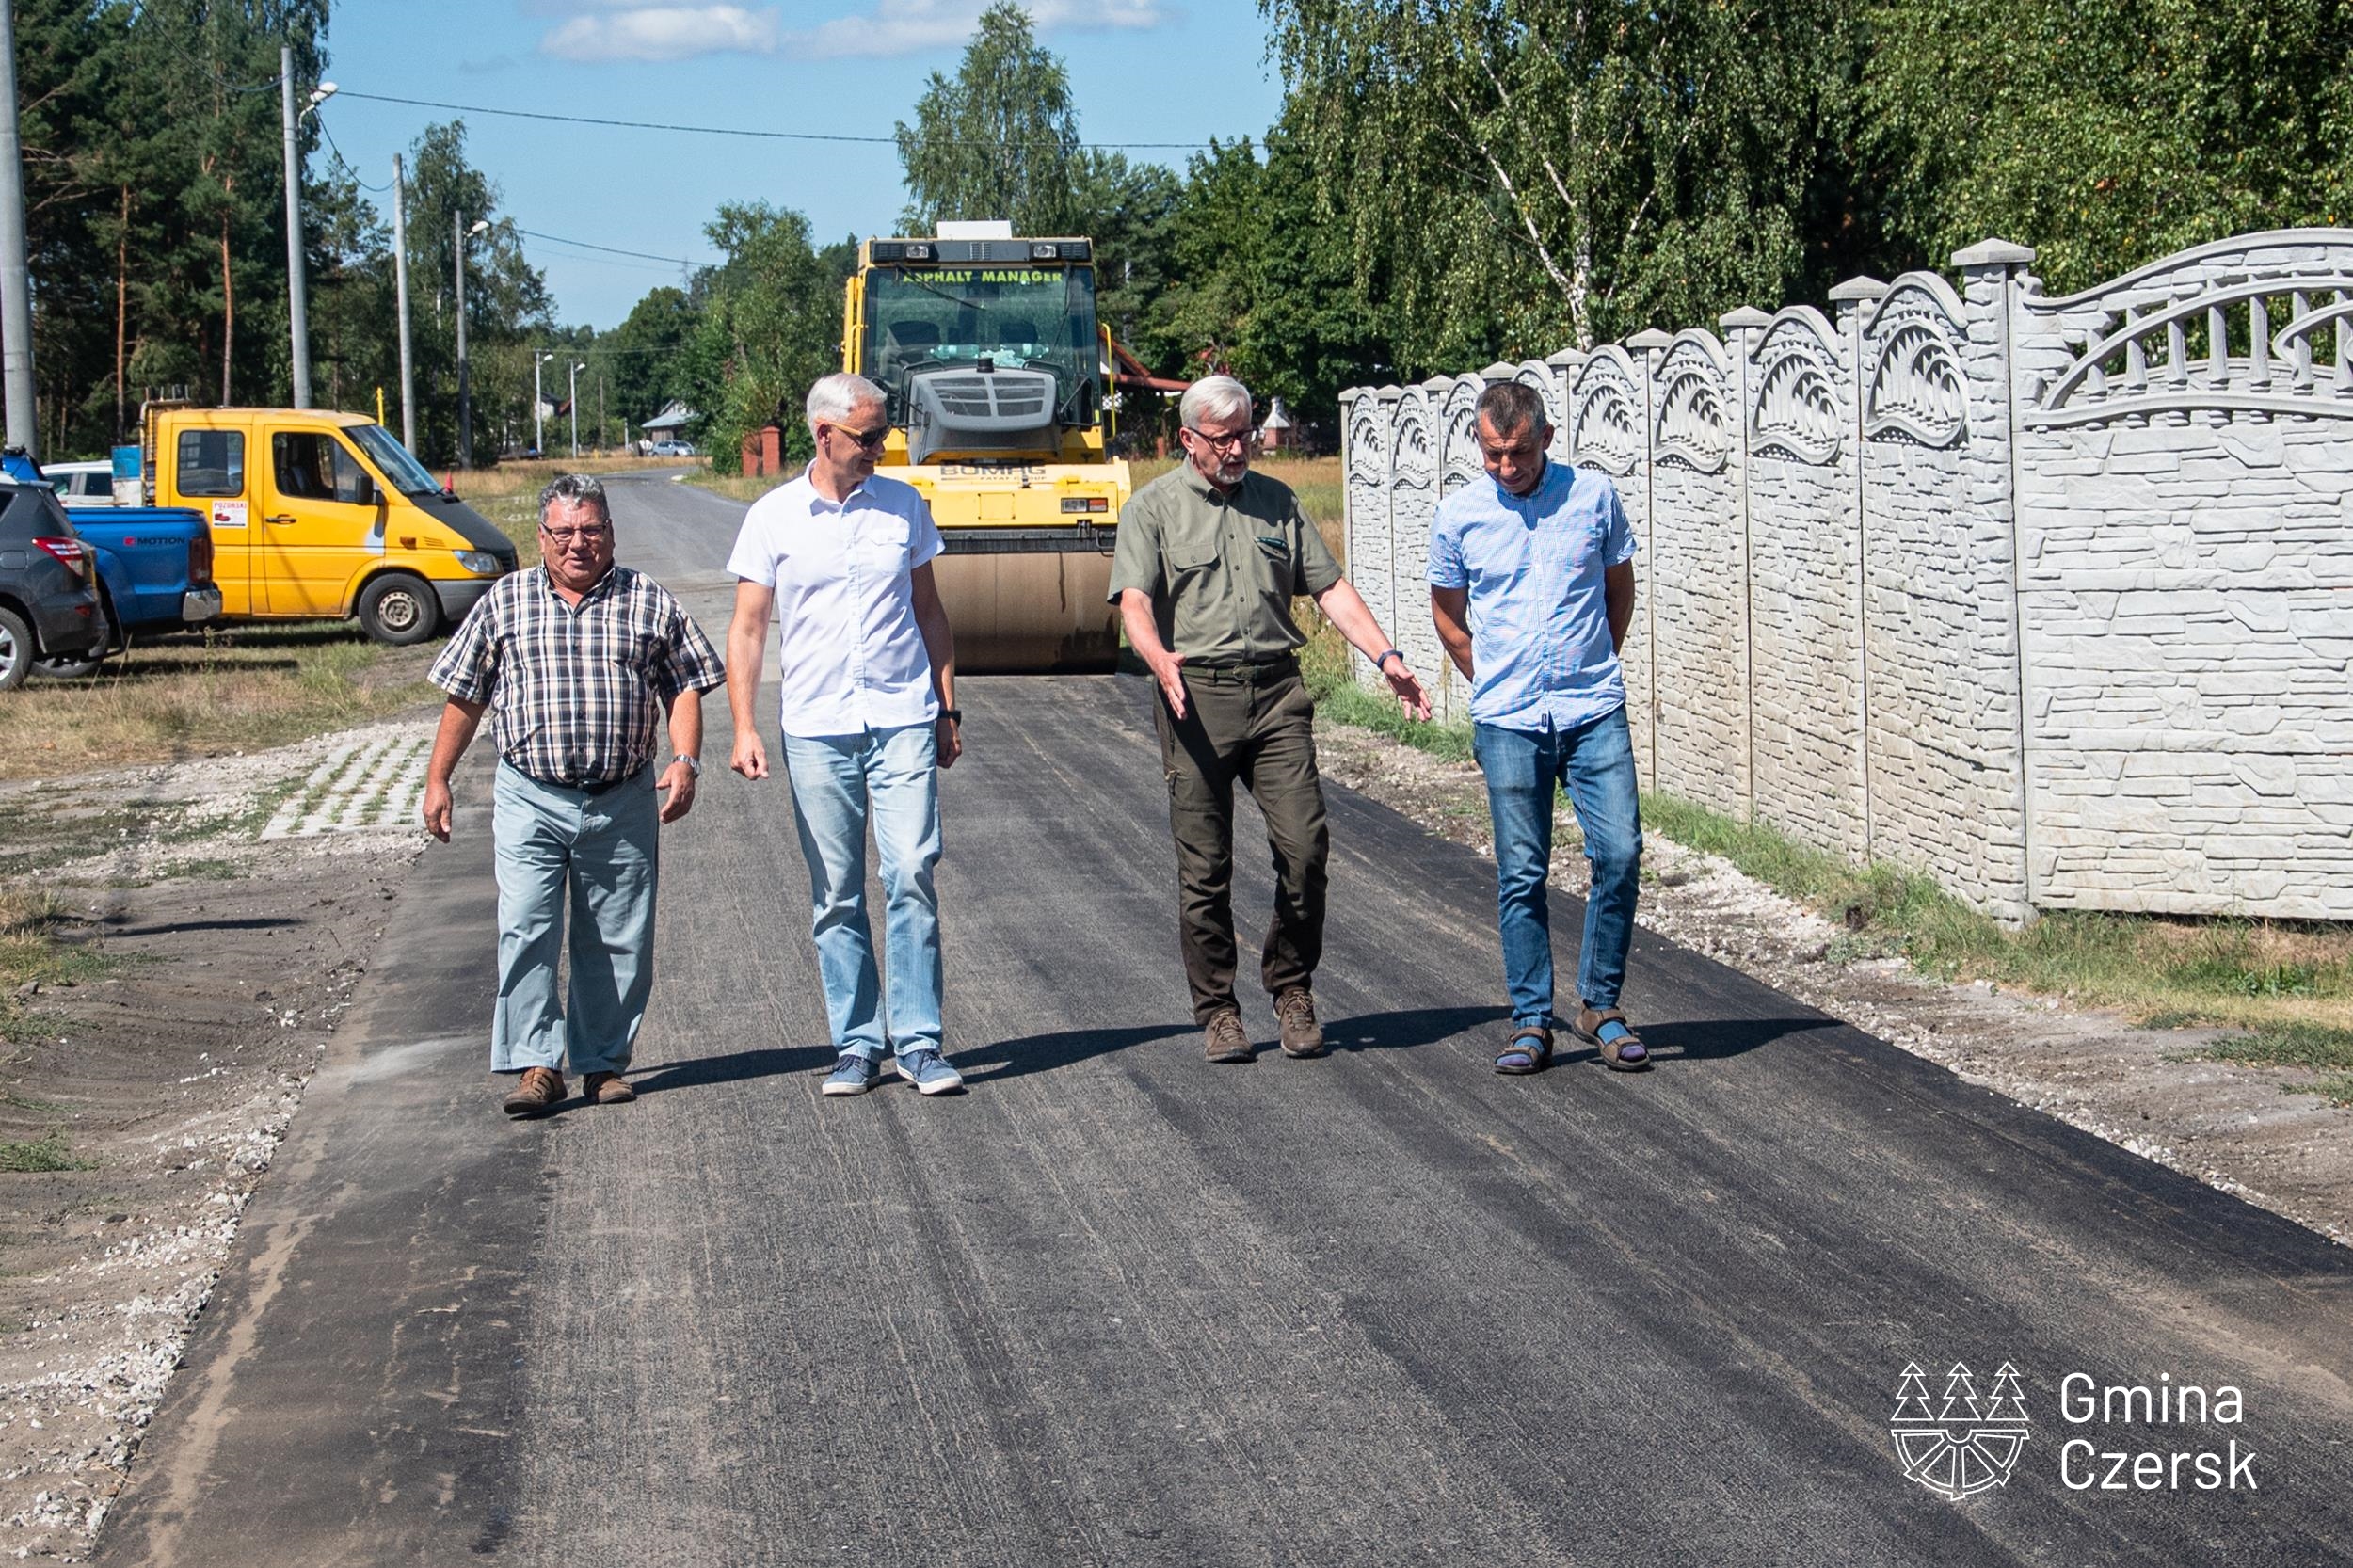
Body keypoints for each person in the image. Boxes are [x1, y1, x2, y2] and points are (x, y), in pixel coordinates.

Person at [1112, 375, 1431, 1064]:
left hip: (1277, 696)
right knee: (1205, 869)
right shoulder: (1152, 510)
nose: (1239, 448)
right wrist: (1158, 658)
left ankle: (1290, 984)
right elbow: (1133, 599)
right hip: (1193, 697)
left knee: (1306, 847)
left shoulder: (1277, 502)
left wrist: (1386, 656)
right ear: (1188, 440)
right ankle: (1219, 1010)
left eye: (1246, 433)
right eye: (1223, 438)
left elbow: (1330, 587)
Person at [423, 473, 727, 1116]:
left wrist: (685, 760)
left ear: (611, 532)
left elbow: (686, 685)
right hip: (530, 795)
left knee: (617, 936)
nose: (578, 544)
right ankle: (538, 1065)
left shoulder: (648, 600)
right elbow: (465, 696)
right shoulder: (504, 603)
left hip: (621, 798)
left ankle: (603, 1063)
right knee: (527, 927)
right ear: (542, 537)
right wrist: (438, 778)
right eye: (564, 532)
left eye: (590, 530)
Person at [724, 372, 966, 1098]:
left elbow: (931, 614)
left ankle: (919, 1042)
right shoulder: (772, 518)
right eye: (867, 438)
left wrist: (947, 710)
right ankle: (857, 1044)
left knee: (911, 875)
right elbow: (747, 628)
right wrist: (742, 727)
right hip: (818, 728)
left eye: (885, 434)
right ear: (823, 434)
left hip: (902, 719)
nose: (880, 449)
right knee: (836, 892)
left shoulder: (903, 507)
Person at [1429, 380, 1649, 1075]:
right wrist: (1489, 679)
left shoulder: (1593, 497)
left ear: (1547, 438)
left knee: (1619, 854)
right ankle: (1531, 1019)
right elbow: (1447, 613)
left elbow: (1620, 588)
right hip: (1508, 719)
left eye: (1518, 452)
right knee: (1522, 873)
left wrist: (1593, 665)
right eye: (1493, 454)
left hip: (1593, 711)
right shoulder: (1458, 516)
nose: (1506, 467)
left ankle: (1599, 1005)